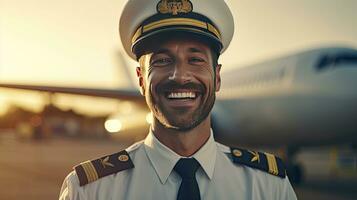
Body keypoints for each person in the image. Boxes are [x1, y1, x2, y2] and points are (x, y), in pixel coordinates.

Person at [59, 0, 297, 199]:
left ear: (217, 77)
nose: (180, 76)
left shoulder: (270, 186)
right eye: (162, 60)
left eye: (195, 60)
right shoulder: (89, 190)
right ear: (141, 80)